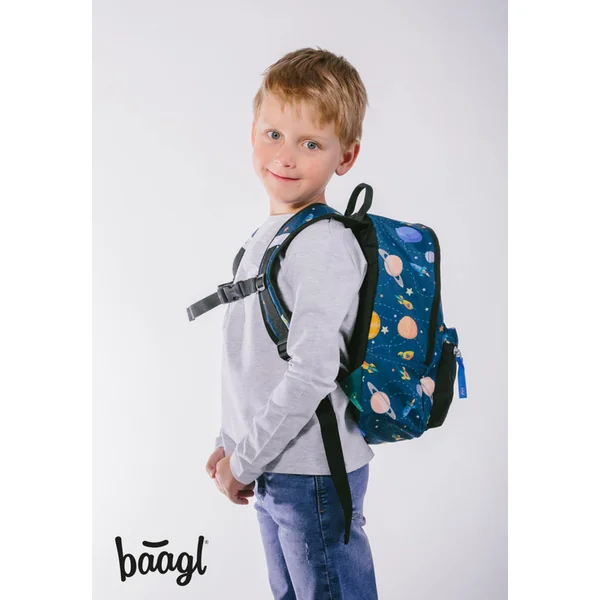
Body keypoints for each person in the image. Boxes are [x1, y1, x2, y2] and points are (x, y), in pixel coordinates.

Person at [205, 47, 379, 599]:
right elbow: (255, 356)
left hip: (312, 476)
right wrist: (232, 442)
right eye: (273, 134)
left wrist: (245, 459)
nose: (285, 156)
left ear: (346, 156)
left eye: (311, 144)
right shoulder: (273, 233)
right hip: (275, 466)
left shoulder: (322, 244)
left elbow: (310, 374)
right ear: (253, 132)